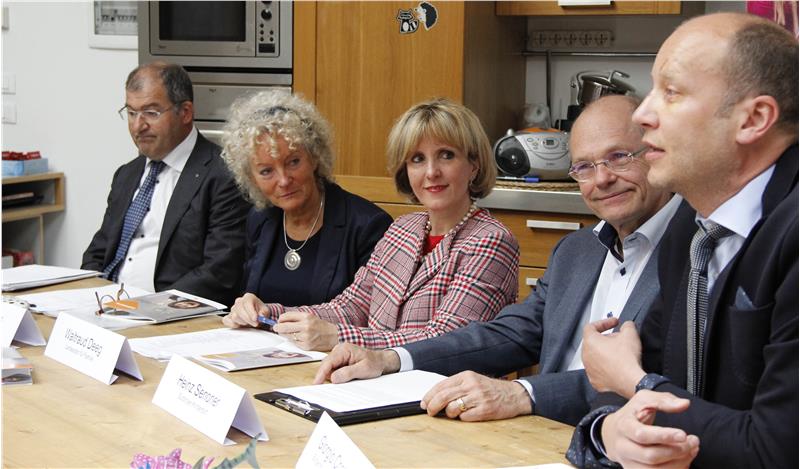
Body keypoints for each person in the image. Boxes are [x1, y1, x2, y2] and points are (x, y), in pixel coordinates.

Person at [311, 95, 686, 426]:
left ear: (656, 151)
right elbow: (510, 334)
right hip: (540, 435)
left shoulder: (695, 253)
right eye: (584, 167)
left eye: (618, 157)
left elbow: (656, 377)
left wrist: (523, 393)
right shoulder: (576, 251)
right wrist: (391, 359)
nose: (601, 179)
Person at [567, 13, 798, 469]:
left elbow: (778, 449)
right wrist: (607, 431)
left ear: (753, 119)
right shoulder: (691, 229)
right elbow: (637, 380)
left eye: (671, 92)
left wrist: (635, 384)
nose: (641, 115)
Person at [223, 98, 519, 351]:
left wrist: (338, 337)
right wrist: (269, 314)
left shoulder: (490, 241)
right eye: (417, 159)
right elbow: (351, 306)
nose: (431, 172)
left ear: (474, 164)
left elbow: (444, 341)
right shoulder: (403, 229)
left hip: (442, 394)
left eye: (446, 155)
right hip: (376, 384)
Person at [82, 62, 250, 306]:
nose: (138, 126)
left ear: (186, 112)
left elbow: (219, 272)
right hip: (108, 306)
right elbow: (98, 252)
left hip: (169, 312)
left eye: (151, 112)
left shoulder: (224, 175)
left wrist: (149, 307)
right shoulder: (127, 174)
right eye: (131, 113)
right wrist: (89, 296)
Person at [220, 91, 392, 307]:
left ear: (315, 157)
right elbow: (249, 294)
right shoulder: (259, 220)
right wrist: (244, 307)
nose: (284, 180)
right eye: (266, 171)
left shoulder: (368, 226)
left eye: (293, 162)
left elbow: (372, 313)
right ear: (252, 179)